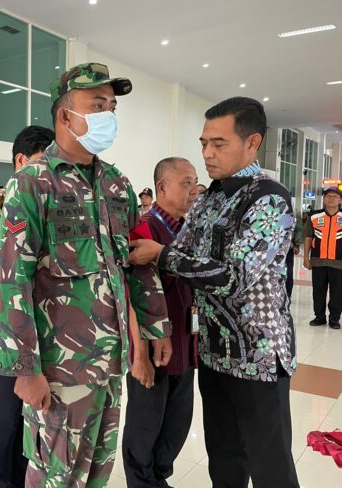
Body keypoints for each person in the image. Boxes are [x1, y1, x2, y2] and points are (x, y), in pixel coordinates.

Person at [0, 62, 171, 487]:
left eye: (111, 107)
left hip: (110, 362)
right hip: (60, 370)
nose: (108, 116)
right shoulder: (33, 184)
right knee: (57, 476)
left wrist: (154, 325)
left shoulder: (117, 184)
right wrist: (25, 369)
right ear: (65, 116)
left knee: (97, 473)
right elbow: (12, 280)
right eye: (97, 105)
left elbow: (135, 262)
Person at [129, 97, 299, 488]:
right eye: (203, 142)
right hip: (213, 352)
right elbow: (185, 250)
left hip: (257, 357)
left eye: (218, 144)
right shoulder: (209, 199)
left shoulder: (268, 197)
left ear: (252, 142)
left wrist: (163, 255)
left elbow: (237, 276)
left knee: (270, 465)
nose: (206, 153)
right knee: (224, 460)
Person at [0, 125, 54, 488]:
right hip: (2, 325)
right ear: (21, 161)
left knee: (31, 414)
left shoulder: (53, 202)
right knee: (5, 413)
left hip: (46, 327)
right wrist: (28, 292)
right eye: (42, 163)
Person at [123, 157, 199, 488]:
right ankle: (141, 481)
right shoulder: (144, 228)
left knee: (177, 422)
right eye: (186, 182)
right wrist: (139, 353)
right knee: (145, 423)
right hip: (153, 347)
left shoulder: (191, 230)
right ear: (163, 186)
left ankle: (158, 477)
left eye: (195, 182)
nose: (194, 190)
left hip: (186, 341)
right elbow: (131, 296)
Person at [304, 187, 342, 329]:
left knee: (337, 292)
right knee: (318, 291)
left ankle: (334, 319)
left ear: (340, 200)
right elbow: (308, 237)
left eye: (334, 196)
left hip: (339, 262)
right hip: (318, 261)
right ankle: (319, 317)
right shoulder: (314, 216)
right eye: (328, 196)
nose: (331, 198)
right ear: (324, 199)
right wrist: (306, 258)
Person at [286, 211, 303, 299]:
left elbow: (299, 229)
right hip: (271, 248)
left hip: (288, 247)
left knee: (288, 272)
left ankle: (288, 295)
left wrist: (297, 244)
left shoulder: (293, 211)